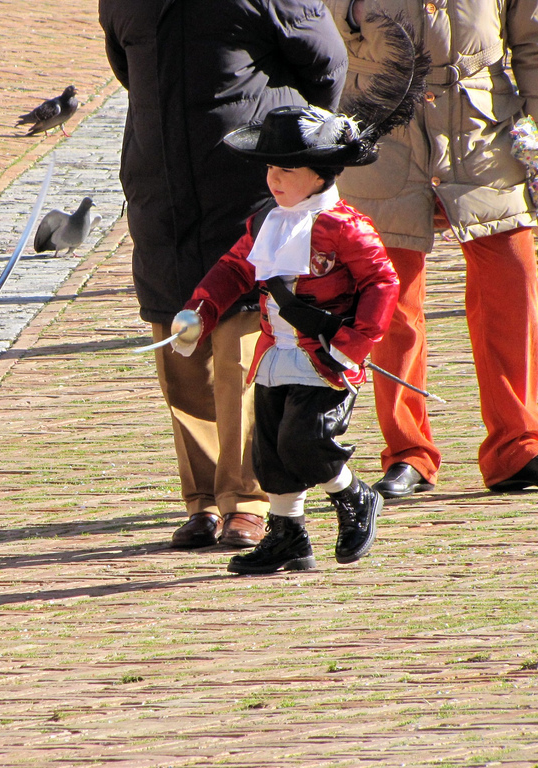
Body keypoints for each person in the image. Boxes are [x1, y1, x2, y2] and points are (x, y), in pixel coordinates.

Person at [98, 0, 349, 549]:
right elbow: (127, 67)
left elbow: (327, 66)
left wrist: (291, 152)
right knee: (180, 348)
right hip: (161, 190)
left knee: (247, 350)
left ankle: (248, 499)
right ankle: (204, 500)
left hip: (250, 192)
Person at [324, 0, 538, 496]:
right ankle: (407, 451)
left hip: (483, 131)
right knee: (389, 301)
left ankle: (516, 446)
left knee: (512, 289)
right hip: (381, 128)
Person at [169, 105, 399, 573]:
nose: (273, 178)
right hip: (275, 354)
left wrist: (352, 343)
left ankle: (353, 494)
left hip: (325, 357)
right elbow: (234, 269)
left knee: (305, 440)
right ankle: (289, 536)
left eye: (287, 169)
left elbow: (382, 283)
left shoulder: (346, 227)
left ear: (319, 175)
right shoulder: (264, 223)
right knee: (270, 451)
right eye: (270, 167)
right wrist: (201, 309)